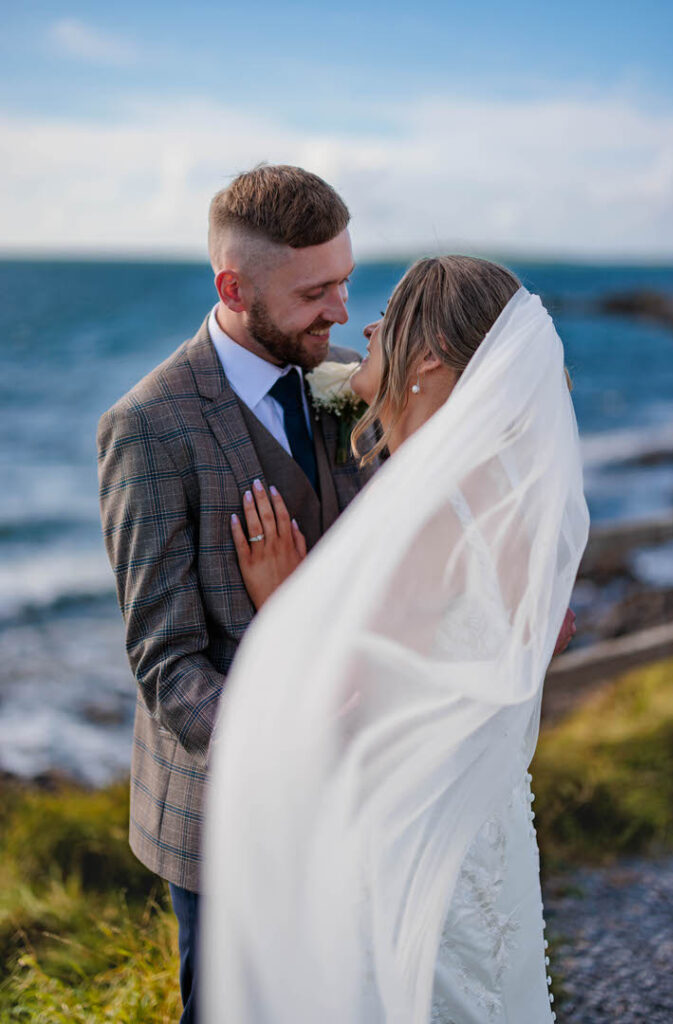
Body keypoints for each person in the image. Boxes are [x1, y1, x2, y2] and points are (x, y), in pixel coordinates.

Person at [201, 255, 589, 1022]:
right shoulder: (512, 491)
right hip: (485, 834)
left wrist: (283, 601)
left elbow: (352, 713)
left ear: (431, 357)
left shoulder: (433, 510)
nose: (367, 325)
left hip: (414, 848)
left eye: (390, 316)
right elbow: (539, 638)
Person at [97, 164, 377, 1023]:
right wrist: (284, 760)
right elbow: (164, 658)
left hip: (353, 783)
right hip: (227, 811)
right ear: (234, 288)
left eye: (344, 281)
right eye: (314, 291)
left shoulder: (344, 380)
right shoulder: (148, 427)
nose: (338, 312)